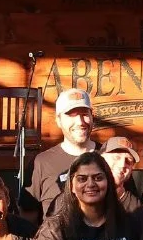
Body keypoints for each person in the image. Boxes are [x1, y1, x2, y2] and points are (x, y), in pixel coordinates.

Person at [28, 88, 99, 219]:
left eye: (84, 114)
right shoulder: (42, 162)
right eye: (71, 114)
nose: (80, 122)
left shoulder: (110, 157)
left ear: (91, 116)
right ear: (58, 120)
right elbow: (28, 216)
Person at [100, 136, 143, 226]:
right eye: (116, 157)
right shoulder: (84, 200)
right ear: (100, 159)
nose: (122, 164)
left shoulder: (139, 212)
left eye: (128, 160)